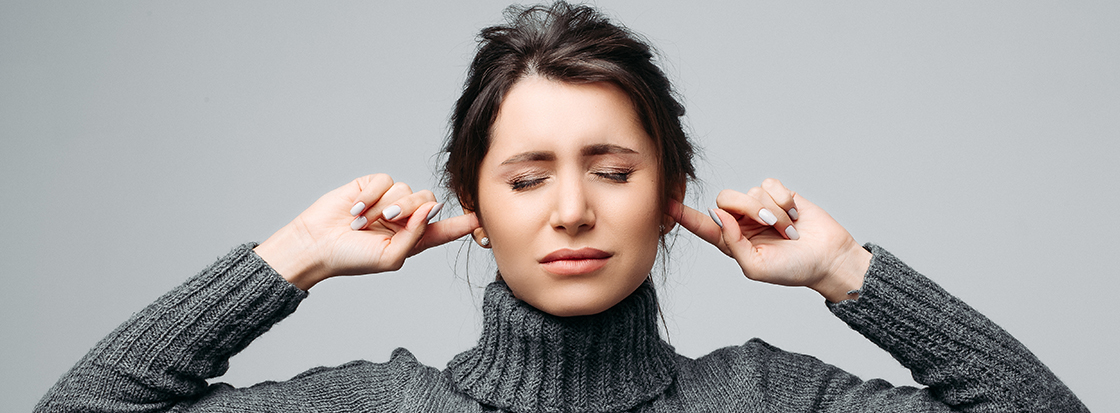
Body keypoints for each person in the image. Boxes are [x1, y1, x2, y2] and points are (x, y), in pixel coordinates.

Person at [37, 2, 1086, 412]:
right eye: (528, 176)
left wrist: (847, 270)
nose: (573, 208)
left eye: (614, 170)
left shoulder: (766, 396)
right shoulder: (376, 405)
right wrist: (289, 259)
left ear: (670, 195)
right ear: (474, 206)